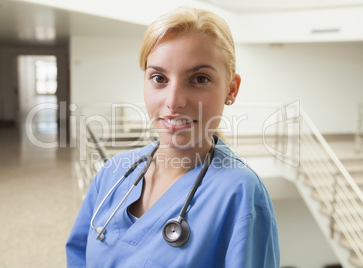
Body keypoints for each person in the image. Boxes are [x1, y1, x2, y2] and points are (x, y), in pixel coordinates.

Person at [66, 6, 280, 268]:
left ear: (231, 89)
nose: (174, 101)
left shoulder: (240, 194)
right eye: (159, 78)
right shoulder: (112, 174)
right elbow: (78, 256)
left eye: (199, 79)